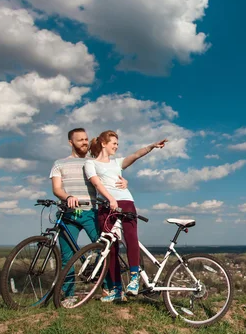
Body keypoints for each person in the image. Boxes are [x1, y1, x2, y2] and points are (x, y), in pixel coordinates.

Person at [84, 130, 167, 302]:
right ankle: (116, 290)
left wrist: (151, 146)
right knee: (110, 248)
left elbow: (136, 155)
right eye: (113, 143)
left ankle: (134, 280)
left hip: (126, 202)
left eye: (117, 144)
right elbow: (96, 183)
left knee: (131, 239)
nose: (116, 146)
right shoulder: (91, 164)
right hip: (108, 205)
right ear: (103, 143)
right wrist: (110, 199)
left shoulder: (117, 163)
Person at [50, 127, 128, 305]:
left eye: (86, 139)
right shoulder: (59, 164)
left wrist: (124, 181)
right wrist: (68, 197)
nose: (85, 142)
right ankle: (68, 295)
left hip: (92, 212)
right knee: (67, 257)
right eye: (80, 140)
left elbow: (111, 176)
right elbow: (56, 189)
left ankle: (111, 290)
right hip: (69, 214)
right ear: (71, 142)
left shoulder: (94, 162)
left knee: (105, 250)